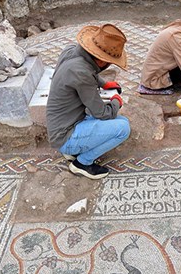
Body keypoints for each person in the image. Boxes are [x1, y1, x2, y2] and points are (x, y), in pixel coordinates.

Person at [47, 23, 130, 180]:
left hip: (61, 125)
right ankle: (82, 163)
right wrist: (116, 101)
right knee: (123, 127)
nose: (109, 64)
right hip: (65, 135)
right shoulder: (82, 73)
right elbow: (102, 113)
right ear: (100, 60)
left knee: (119, 120)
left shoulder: (71, 51)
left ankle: (72, 151)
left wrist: (103, 83)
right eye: (109, 62)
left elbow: (88, 70)